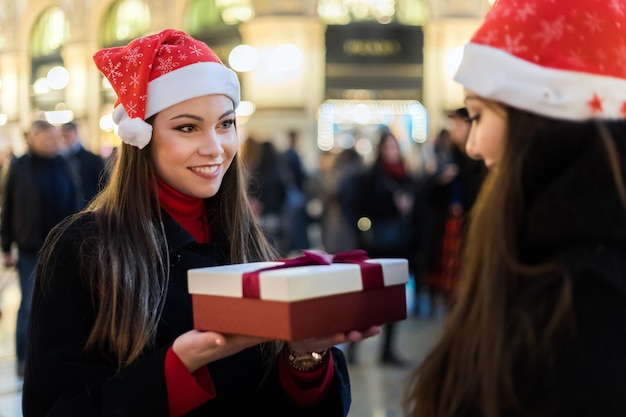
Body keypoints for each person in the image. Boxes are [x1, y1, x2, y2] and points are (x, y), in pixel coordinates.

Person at [23, 29, 380, 417]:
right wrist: (177, 367)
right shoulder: (85, 248)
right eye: (188, 127)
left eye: (225, 124)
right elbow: (53, 406)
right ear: (142, 137)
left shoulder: (250, 243)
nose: (215, 147)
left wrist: (306, 354)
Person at [403, 0, 626, 415]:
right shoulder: (552, 255)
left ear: (538, 114)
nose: (471, 145)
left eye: (478, 115)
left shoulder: (581, 298)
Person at [1, 120, 83, 377]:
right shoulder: (19, 167)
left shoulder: (66, 164)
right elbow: (9, 208)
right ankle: (24, 359)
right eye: (46, 137)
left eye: (54, 137)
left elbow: (77, 202)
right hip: (30, 248)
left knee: (63, 301)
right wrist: (6, 247)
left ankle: (58, 356)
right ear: (33, 139)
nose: (52, 141)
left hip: (64, 246)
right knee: (29, 306)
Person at [348, 130, 418, 366]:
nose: (392, 152)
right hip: (377, 244)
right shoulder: (371, 176)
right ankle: (354, 345)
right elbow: (362, 206)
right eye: (388, 148)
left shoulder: (406, 176)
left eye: (395, 148)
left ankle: (388, 350)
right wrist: (392, 207)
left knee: (394, 299)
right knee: (370, 299)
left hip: (400, 244)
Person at [419, 109, 486, 314]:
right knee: (447, 288)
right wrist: (439, 182)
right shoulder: (446, 155)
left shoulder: (479, 159)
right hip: (445, 227)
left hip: (470, 229)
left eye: (459, 124)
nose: (454, 129)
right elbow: (427, 196)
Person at [60, 121, 107, 207]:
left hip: (88, 205)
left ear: (76, 134)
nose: (64, 140)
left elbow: (103, 184)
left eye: (67, 136)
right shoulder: (58, 159)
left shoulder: (91, 158)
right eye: (62, 136)